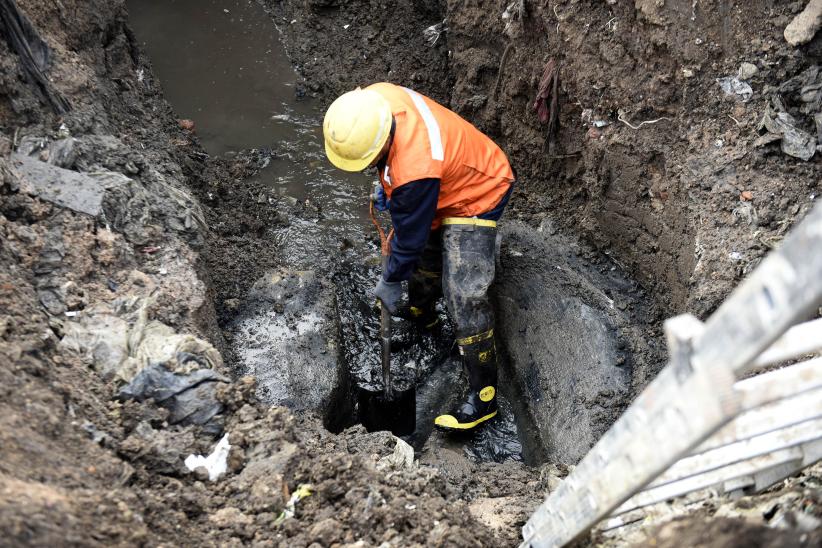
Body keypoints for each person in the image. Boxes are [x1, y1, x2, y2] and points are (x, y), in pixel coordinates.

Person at [322, 82, 514, 431]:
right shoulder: (375, 102)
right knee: (424, 258)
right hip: (441, 179)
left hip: (480, 189)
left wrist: (391, 279)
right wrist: (387, 183)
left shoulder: (415, 169)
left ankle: (484, 397)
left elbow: (408, 241)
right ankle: (423, 314)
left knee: (463, 296)